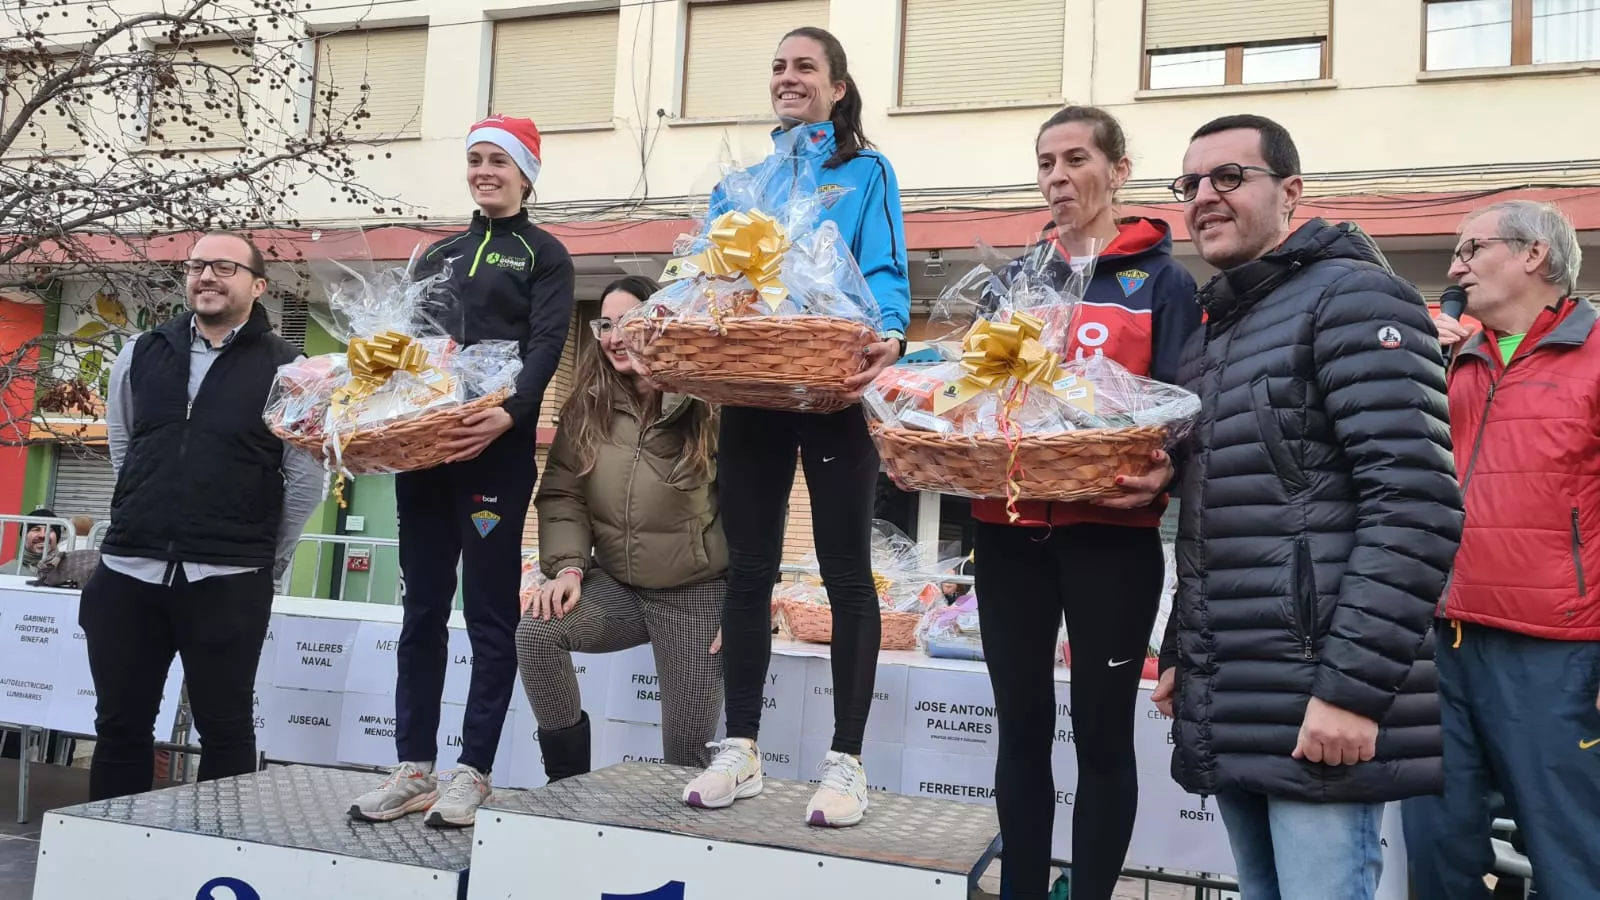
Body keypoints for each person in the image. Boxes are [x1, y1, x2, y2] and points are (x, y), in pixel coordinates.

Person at [1145, 115, 1464, 899]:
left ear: (1291, 191)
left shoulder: (1354, 298)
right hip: (1239, 693)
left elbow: (1416, 507)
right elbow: (1220, 515)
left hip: (1322, 698)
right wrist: (1183, 648)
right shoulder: (1218, 334)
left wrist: (1352, 692)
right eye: (1190, 184)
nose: (1205, 198)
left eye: (1228, 177)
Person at [679, 26, 910, 828]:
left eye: (804, 67)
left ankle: (847, 762)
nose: (788, 78)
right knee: (748, 571)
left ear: (837, 87)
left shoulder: (865, 171)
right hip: (753, 388)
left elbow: (881, 266)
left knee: (847, 572)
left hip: (834, 383)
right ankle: (739, 747)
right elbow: (704, 277)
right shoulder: (741, 184)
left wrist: (893, 331)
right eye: (777, 66)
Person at [971, 106, 1201, 900]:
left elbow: (1185, 404)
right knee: (1022, 730)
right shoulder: (1013, 280)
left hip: (1112, 537)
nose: (1058, 177)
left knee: (1103, 736)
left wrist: (1165, 464)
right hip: (1004, 533)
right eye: (1045, 163)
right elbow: (973, 395)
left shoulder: (1163, 281)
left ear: (1119, 171)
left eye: (1076, 159)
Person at [349, 114, 575, 827]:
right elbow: (409, 345)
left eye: (498, 161)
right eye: (475, 159)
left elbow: (547, 343)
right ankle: (413, 767)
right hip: (425, 451)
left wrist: (514, 410)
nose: (484, 171)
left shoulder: (545, 254)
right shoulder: (439, 252)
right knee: (420, 610)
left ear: (525, 173)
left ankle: (472, 771)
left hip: (494, 452)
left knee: (487, 612)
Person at [1402, 200, 1600, 900]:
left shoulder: (1594, 352)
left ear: (1533, 255)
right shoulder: (1449, 358)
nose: (1454, 266)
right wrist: (1414, 370)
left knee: (1570, 852)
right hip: (1439, 641)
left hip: (1554, 650)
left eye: (1471, 248)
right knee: (1435, 852)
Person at [82, 231, 322, 801]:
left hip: (228, 579)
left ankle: (213, 863)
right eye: (196, 266)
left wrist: (263, 557)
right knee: (119, 728)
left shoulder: (292, 369)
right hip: (128, 575)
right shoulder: (140, 351)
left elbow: (306, 478)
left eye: (224, 267)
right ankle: (114, 864)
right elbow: (126, 444)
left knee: (226, 731)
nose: (206, 276)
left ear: (258, 285)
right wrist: (151, 509)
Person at [515, 276, 726, 782]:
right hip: (617, 588)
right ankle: (565, 785)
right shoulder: (586, 406)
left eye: (628, 323)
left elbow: (756, 507)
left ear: (662, 325)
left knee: (686, 751)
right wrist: (567, 566)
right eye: (604, 325)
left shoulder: (710, 405)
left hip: (696, 595)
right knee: (537, 636)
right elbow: (563, 494)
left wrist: (747, 600)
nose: (612, 338)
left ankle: (686, 841)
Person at [2, 507, 64, 575]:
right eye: (36, 530)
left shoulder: (70, 569)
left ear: (57, 538)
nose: (43, 535)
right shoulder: (7, 572)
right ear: (24, 536)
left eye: (50, 530)